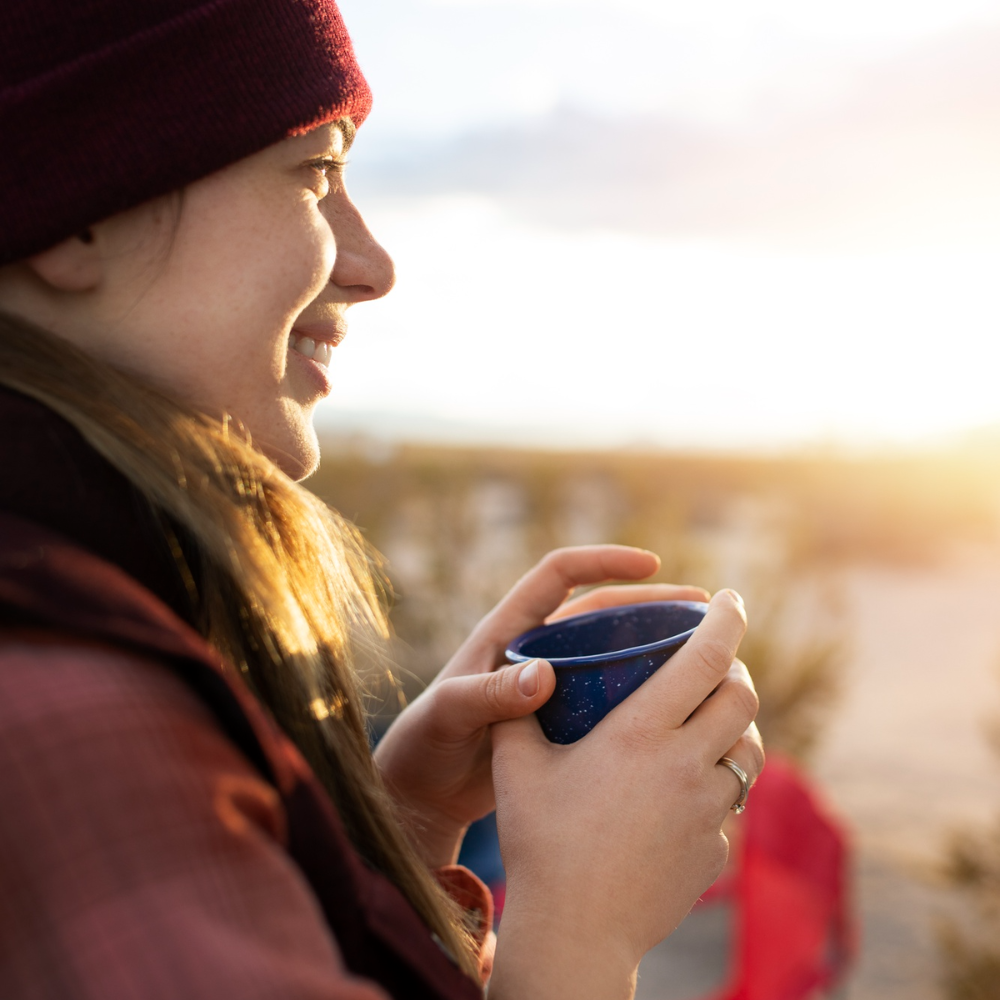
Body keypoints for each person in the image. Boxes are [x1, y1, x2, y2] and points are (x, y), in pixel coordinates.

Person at [0, 1, 764, 997]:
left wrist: (398, 819)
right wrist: (582, 927)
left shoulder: (80, 591)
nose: (372, 267)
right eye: (316, 173)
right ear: (82, 202)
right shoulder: (66, 710)